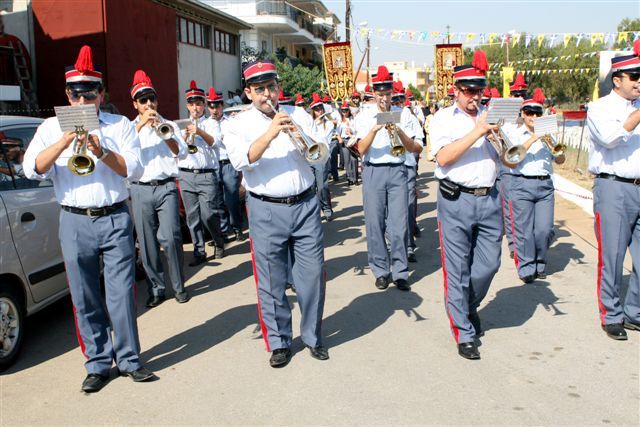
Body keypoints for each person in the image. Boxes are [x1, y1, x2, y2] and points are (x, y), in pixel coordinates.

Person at [22, 45, 154, 392]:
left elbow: (133, 169)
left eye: (90, 95)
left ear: (101, 94)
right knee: (83, 296)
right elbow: (32, 168)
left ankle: (128, 360)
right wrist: (66, 138)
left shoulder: (120, 124)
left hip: (114, 218)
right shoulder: (51, 127)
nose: (83, 102)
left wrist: (102, 151)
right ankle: (97, 363)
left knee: (121, 294)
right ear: (67, 94)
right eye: (76, 95)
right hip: (74, 220)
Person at [226, 59, 329, 367]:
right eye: (260, 90)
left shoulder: (296, 114)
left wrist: (299, 135)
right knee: (270, 279)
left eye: (271, 87)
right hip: (265, 208)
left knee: (312, 277)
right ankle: (279, 341)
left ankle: (312, 335)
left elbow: (319, 155)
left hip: (305, 204)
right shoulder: (236, 123)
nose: (268, 95)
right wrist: (271, 132)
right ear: (248, 93)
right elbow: (241, 161)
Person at [429, 49, 502, 360]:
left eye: (479, 90)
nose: (475, 96)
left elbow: (509, 160)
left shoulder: (492, 115)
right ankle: (463, 331)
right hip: (455, 198)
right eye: (469, 91)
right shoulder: (441, 119)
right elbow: (444, 157)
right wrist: (477, 132)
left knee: (489, 264)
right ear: (456, 91)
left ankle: (466, 304)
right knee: (457, 270)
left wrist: (498, 136)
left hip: (489, 198)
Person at [587, 42, 640, 340]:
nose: (639, 81)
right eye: (635, 76)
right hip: (614, 189)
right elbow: (610, 138)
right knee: (613, 256)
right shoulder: (599, 108)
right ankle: (612, 314)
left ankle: (635, 312)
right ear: (617, 79)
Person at [354, 65, 421, 292]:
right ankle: (381, 270)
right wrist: (375, 128)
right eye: (380, 94)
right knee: (374, 223)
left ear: (392, 92)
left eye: (388, 93)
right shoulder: (364, 116)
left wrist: (399, 130)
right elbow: (360, 149)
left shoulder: (405, 114)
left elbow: (415, 147)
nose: (384, 98)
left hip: (397, 170)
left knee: (399, 224)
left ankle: (400, 271)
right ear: (374, 93)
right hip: (373, 170)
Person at [129, 70, 190, 308]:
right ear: (136, 105)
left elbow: (182, 152)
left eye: (151, 99)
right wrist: (141, 126)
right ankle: (156, 287)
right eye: (143, 100)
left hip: (165, 187)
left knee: (172, 237)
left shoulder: (169, 125)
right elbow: (121, 153)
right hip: (140, 188)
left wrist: (163, 135)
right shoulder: (128, 127)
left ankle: (178, 286)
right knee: (146, 243)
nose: (149, 104)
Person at [503, 88, 565, 284]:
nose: (533, 116)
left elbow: (561, 159)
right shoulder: (514, 132)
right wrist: (533, 138)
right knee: (524, 231)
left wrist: (553, 147)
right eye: (529, 113)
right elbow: (512, 159)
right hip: (521, 183)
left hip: (545, 185)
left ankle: (540, 262)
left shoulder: (548, 135)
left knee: (544, 230)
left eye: (537, 113)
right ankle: (527, 266)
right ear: (523, 114)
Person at [177, 80, 225, 266]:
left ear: (204, 105)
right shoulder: (181, 124)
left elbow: (215, 143)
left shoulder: (211, 123)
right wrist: (185, 137)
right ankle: (199, 250)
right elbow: (177, 150)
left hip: (206, 174)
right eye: (191, 104)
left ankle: (218, 241)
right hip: (186, 174)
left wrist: (199, 132)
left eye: (198, 104)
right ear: (187, 106)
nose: (195, 108)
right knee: (192, 216)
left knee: (209, 214)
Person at [206, 87, 244, 242]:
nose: (214, 109)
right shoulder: (205, 124)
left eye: (217, 105)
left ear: (222, 105)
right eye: (211, 106)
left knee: (231, 198)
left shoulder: (231, 121)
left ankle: (237, 228)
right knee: (217, 200)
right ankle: (223, 230)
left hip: (228, 163)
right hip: (213, 165)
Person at [310, 92, 335, 221]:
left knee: (322, 186)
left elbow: (324, 141)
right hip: (309, 158)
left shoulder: (329, 124)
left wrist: (318, 124)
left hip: (322, 156)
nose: (319, 111)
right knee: (310, 187)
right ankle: (314, 212)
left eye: (320, 108)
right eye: (316, 109)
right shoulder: (309, 123)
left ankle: (326, 208)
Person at [336, 101, 359, 186]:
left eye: (346, 110)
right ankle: (349, 178)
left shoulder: (353, 119)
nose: (344, 112)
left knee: (354, 159)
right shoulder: (340, 121)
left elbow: (357, 130)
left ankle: (355, 178)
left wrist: (351, 131)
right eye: (343, 110)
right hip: (344, 141)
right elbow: (337, 132)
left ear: (349, 110)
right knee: (347, 160)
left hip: (352, 140)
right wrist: (339, 139)